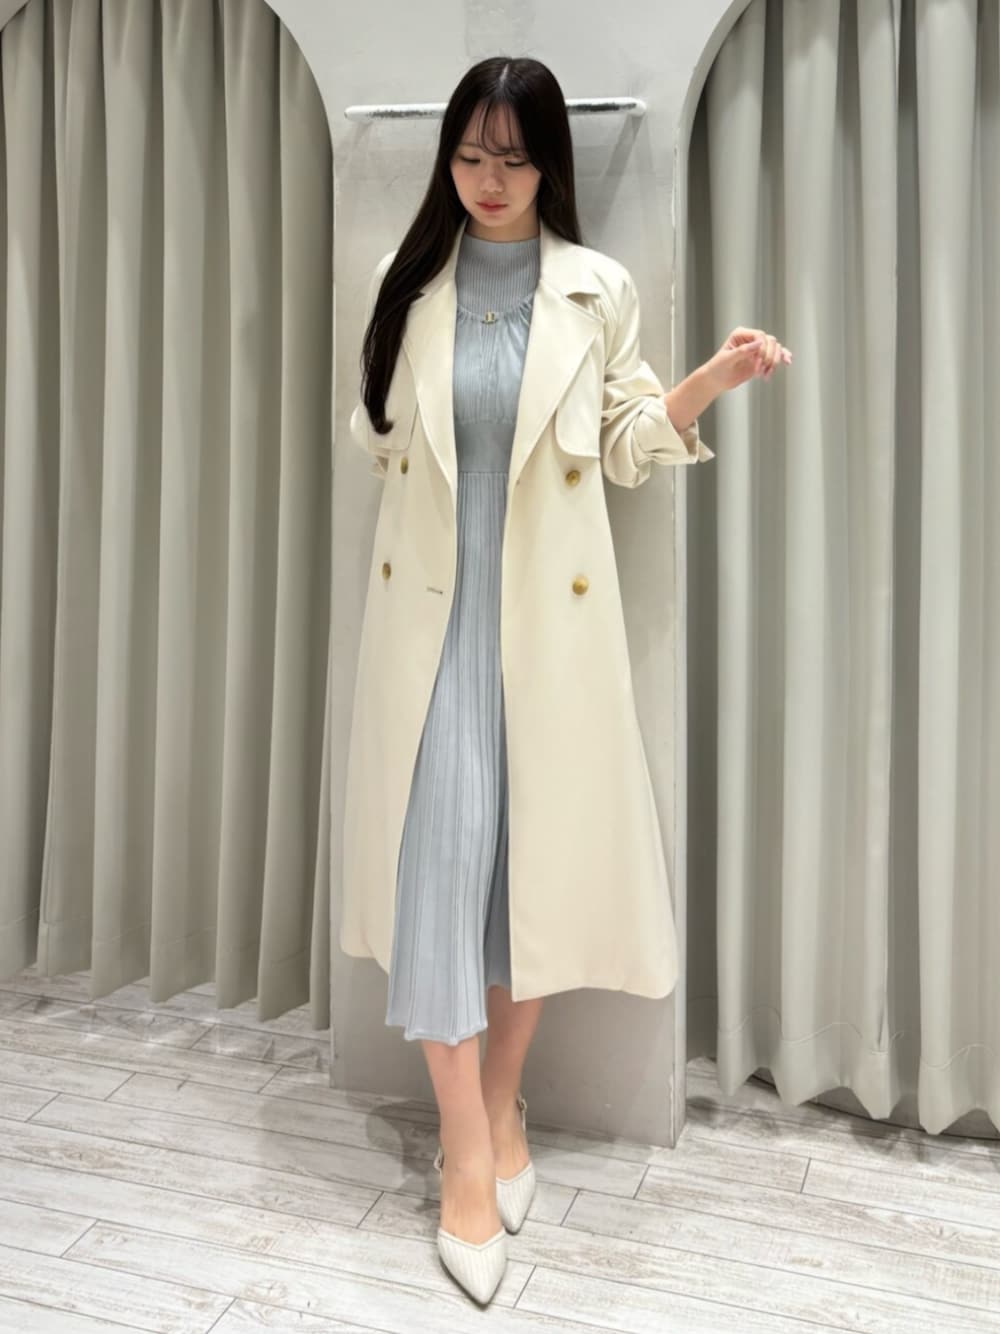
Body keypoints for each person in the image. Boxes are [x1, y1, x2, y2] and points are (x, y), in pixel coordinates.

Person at [346, 55, 790, 1305]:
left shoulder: (596, 289)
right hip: (430, 635)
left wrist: (711, 381)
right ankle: (466, 1156)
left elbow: (626, 443)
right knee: (438, 892)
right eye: (468, 156)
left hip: (547, 633)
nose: (488, 180)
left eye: (513, 158)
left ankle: (499, 1098)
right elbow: (375, 434)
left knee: (520, 893)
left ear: (550, 163)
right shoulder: (405, 286)